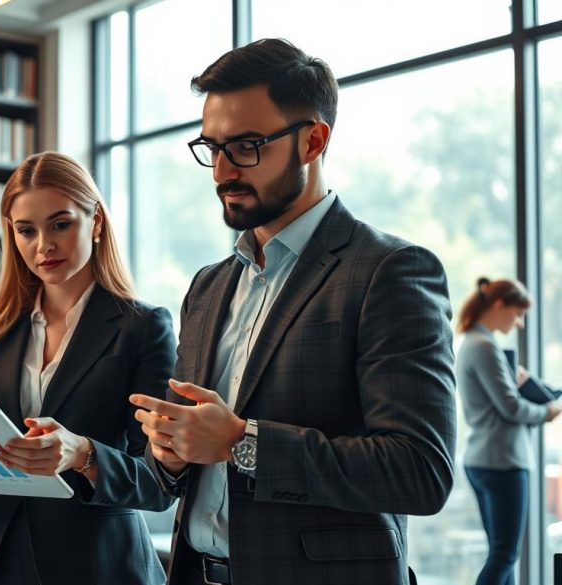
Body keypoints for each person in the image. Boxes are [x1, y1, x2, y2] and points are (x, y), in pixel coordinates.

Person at [129, 39, 457, 585]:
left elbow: (421, 471)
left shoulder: (390, 271)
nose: (222, 172)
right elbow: (178, 474)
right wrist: (170, 453)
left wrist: (242, 443)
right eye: (211, 148)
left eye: (246, 146)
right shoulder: (208, 287)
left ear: (313, 140)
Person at [0, 151, 177, 585]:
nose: (43, 245)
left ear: (95, 222)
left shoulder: (143, 328)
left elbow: (160, 483)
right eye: (26, 230)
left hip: (98, 567)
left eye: (60, 224)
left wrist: (83, 455)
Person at [456, 277, 561, 585]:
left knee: (502, 554)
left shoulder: (471, 342)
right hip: (501, 460)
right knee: (504, 555)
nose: (520, 323)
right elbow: (511, 407)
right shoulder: (485, 347)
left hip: (483, 458)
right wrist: (548, 412)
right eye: (518, 313)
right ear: (499, 304)